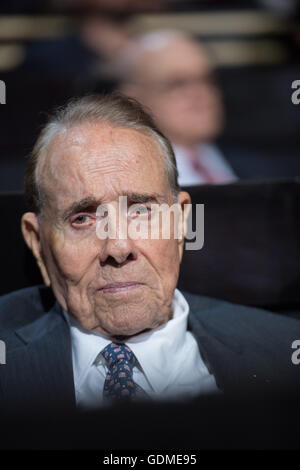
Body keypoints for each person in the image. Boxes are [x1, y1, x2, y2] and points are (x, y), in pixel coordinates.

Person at [0, 93, 299, 415]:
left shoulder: (285, 352)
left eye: (141, 211)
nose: (118, 248)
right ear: (37, 243)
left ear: (181, 221)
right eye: (82, 219)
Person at [114, 30, 237, 186]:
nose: (200, 93)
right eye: (177, 84)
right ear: (132, 99)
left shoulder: (256, 163)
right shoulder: (124, 182)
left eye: (207, 80)